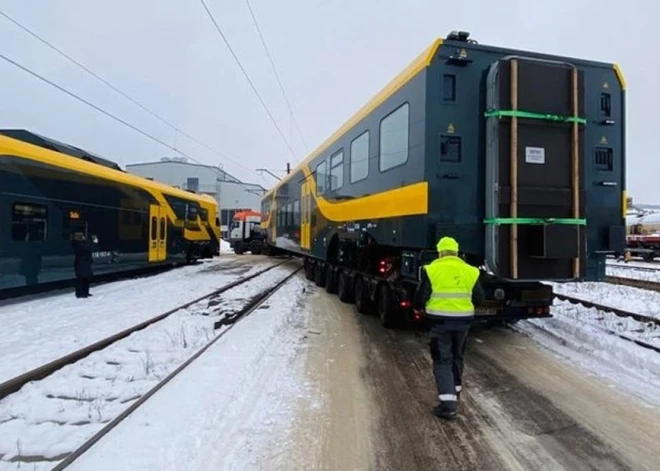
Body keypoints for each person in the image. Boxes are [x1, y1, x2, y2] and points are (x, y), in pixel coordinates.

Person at [413, 236, 485, 420]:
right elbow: (479, 298)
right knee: (457, 356)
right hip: (463, 322)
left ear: (440, 252)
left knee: (442, 360)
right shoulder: (471, 271)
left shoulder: (431, 269)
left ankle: (448, 406)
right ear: (456, 251)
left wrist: (421, 307)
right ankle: (455, 390)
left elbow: (421, 297)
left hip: (439, 322)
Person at [72, 232, 94, 298]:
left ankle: (85, 292)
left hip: (84, 263)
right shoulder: (77, 244)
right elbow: (87, 249)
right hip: (81, 264)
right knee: (81, 279)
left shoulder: (81, 244)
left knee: (85, 279)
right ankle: (80, 293)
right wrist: (86, 241)